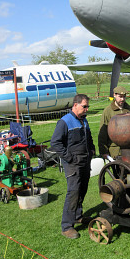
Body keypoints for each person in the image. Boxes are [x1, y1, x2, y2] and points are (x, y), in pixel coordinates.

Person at [51, 94, 95, 239]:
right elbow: (56, 143)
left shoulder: (84, 120)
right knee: (73, 192)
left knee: (83, 189)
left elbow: (88, 138)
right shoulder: (65, 122)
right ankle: (67, 226)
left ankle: (78, 216)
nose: (87, 109)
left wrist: (92, 150)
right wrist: (70, 158)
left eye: (87, 106)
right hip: (73, 164)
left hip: (85, 161)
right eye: (84, 106)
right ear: (75, 105)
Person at [98, 86, 130, 159]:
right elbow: (103, 133)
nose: (122, 99)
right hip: (115, 150)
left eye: (124, 97)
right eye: (120, 96)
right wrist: (103, 151)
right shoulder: (108, 111)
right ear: (114, 95)